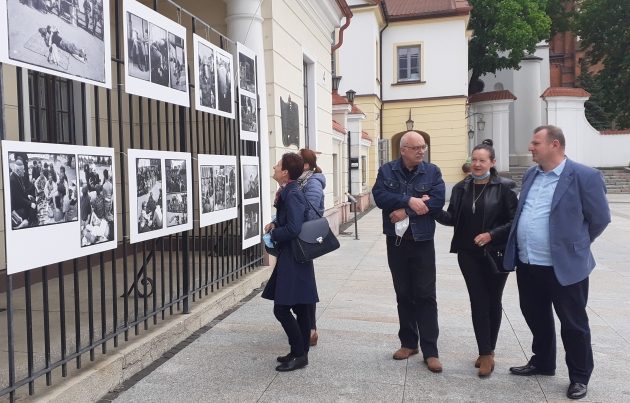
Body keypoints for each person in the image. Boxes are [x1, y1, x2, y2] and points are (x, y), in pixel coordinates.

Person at [504, 125, 611, 400]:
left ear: (554, 145)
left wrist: (576, 245)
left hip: (565, 267)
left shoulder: (584, 176)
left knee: (573, 323)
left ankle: (579, 376)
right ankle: (543, 362)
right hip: (529, 263)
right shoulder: (531, 174)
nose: (530, 147)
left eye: (535, 142)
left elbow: (599, 219)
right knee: (536, 316)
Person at [435, 139, 518, 377]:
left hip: (495, 253)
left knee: (494, 301)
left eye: (483, 160)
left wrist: (491, 235)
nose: (477, 164)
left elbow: (514, 221)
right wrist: (432, 210)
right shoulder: (461, 188)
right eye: (474, 160)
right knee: (478, 300)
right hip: (467, 253)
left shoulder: (505, 187)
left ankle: (489, 351)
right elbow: (452, 218)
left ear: (492, 162)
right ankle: (484, 352)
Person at [372, 131, 445, 373]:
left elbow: (436, 201)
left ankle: (431, 351)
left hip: (423, 240)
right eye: (415, 147)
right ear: (403, 150)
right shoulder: (387, 171)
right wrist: (409, 199)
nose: (421, 151)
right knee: (403, 293)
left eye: (423, 147)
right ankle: (408, 343)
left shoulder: (432, 171)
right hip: (397, 241)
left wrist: (407, 210)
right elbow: (380, 196)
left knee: (425, 295)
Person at [261, 153, 318, 372]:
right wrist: (276, 225)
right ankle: (300, 353)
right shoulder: (289, 191)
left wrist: (275, 234)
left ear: (285, 172)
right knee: (301, 307)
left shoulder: (292, 193)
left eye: (277, 165)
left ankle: (299, 352)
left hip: (293, 258)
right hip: (295, 256)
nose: (274, 167)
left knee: (282, 309)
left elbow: (294, 228)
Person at [297, 148, 326, 347]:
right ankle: (306, 327)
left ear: (306, 165)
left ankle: (311, 329)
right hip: (298, 238)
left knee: (306, 285)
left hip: (303, 240)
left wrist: (293, 226)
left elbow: (311, 214)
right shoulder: (302, 181)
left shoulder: (312, 182)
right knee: (302, 284)